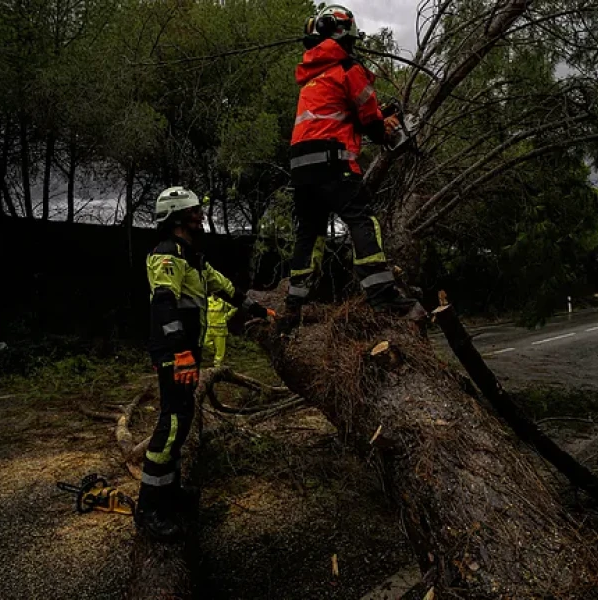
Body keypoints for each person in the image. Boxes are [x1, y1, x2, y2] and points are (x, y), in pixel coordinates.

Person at [137, 187, 274, 542]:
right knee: (170, 426)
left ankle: (171, 492)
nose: (201, 217)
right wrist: (179, 353)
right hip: (174, 355)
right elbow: (163, 306)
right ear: (179, 216)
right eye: (195, 212)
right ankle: (149, 507)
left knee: (181, 424)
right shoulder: (166, 255)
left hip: (187, 354)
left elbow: (226, 287)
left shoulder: (193, 257)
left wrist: (259, 311)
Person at [283, 4, 424, 331]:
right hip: (333, 161)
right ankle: (382, 293)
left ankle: (293, 304)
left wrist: (373, 122)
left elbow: (335, 121)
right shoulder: (348, 68)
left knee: (309, 233)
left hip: (301, 166)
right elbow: (371, 122)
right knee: (362, 219)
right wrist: (385, 126)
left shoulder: (312, 77)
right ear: (346, 35)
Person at [205, 293, 237, 367]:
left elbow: (234, 307)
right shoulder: (207, 300)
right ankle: (213, 354)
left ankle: (218, 366)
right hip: (209, 328)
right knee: (206, 343)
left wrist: (227, 316)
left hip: (220, 329)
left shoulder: (224, 301)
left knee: (220, 349)